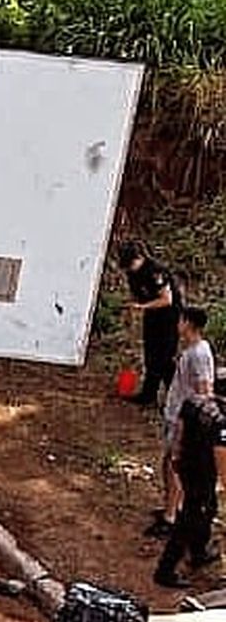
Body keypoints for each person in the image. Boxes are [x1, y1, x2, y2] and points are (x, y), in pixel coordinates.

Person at [148, 305, 216, 540]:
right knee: (167, 463)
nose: (177, 324)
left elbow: (204, 391)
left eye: (180, 320)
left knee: (175, 467)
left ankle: (171, 518)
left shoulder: (198, 354)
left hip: (184, 423)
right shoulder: (193, 350)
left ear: (188, 323)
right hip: (175, 417)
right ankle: (171, 507)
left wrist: (187, 424)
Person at [154, 391, 226, 587]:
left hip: (186, 463)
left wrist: (176, 454)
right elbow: (221, 459)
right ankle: (165, 570)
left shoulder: (194, 402)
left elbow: (180, 428)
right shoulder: (221, 423)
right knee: (190, 519)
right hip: (201, 472)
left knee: (209, 508)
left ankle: (198, 551)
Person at [120, 241, 178, 407]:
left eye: (131, 264)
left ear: (140, 257)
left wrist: (142, 307)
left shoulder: (155, 271)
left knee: (165, 359)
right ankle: (148, 395)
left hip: (168, 318)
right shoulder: (132, 273)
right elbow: (137, 296)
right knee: (151, 356)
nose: (129, 268)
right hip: (152, 316)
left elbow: (167, 300)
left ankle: (175, 397)